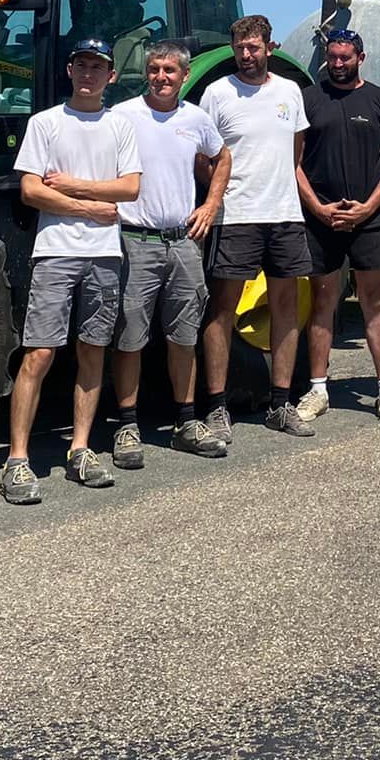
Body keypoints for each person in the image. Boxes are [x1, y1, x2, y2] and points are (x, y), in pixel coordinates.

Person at [3, 38, 142, 502]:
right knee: (39, 354)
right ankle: (17, 459)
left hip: (105, 254)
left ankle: (79, 448)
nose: (89, 73)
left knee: (92, 351)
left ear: (110, 75)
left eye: (97, 67)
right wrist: (91, 208)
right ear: (69, 70)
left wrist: (74, 191)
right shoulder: (45, 123)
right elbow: (30, 190)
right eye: (81, 65)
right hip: (55, 252)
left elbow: (129, 188)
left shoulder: (120, 126)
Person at [107, 41, 232, 465]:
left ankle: (185, 421)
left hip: (182, 242)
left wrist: (211, 204)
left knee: (184, 335)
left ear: (183, 75)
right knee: (129, 337)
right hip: (134, 240)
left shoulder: (196, 118)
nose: (162, 77)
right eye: (155, 69)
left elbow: (223, 155)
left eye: (170, 71)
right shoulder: (123, 115)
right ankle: (126, 425)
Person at [198, 15, 315, 439]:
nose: (246, 56)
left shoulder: (289, 92)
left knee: (285, 308)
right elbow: (203, 155)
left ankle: (281, 403)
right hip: (236, 216)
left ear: (269, 47)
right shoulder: (216, 94)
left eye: (254, 47)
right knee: (222, 311)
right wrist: (217, 193)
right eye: (240, 48)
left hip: (283, 215)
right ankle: (216, 406)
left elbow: (295, 151)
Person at [295, 29, 380, 426]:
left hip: (370, 218)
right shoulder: (309, 99)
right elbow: (293, 163)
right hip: (321, 218)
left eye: (346, 57)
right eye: (333, 57)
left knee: (375, 302)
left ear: (361, 57)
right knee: (323, 301)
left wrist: (368, 208)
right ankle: (317, 389)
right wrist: (318, 207)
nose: (338, 64)